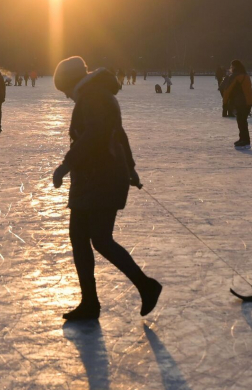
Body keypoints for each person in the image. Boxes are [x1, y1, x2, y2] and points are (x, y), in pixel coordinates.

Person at [51, 56, 162, 321]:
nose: (66, 95)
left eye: (64, 89)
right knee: (81, 238)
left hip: (101, 178)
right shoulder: (95, 95)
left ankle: (144, 286)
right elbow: (119, 135)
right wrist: (130, 168)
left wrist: (66, 165)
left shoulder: (93, 97)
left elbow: (95, 136)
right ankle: (90, 301)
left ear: (72, 81)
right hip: (97, 177)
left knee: (99, 238)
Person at [222, 60, 252, 149]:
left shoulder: (235, 76)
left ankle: (245, 141)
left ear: (234, 67)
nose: (231, 68)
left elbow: (227, 90)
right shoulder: (246, 75)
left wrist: (225, 103)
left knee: (241, 121)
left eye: (231, 66)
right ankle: (243, 139)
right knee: (242, 120)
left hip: (241, 101)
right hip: (249, 101)